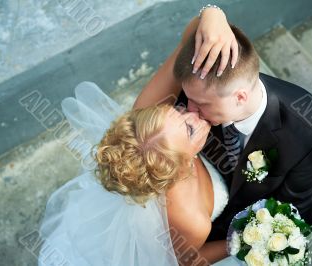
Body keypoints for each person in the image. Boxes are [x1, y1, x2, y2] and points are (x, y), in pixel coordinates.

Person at [38, 7, 237, 266]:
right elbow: (188, 262)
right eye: (189, 130)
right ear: (180, 168)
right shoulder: (191, 221)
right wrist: (240, 241)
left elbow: (190, 38)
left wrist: (213, 15)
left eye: (175, 110)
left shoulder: (147, 108)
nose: (193, 112)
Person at [134, 5, 312, 243]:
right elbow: (192, 34)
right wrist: (212, 12)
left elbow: (295, 212)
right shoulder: (192, 100)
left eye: (200, 104)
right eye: (188, 99)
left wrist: (249, 242)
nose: (189, 111)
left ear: (240, 97)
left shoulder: (310, 132)